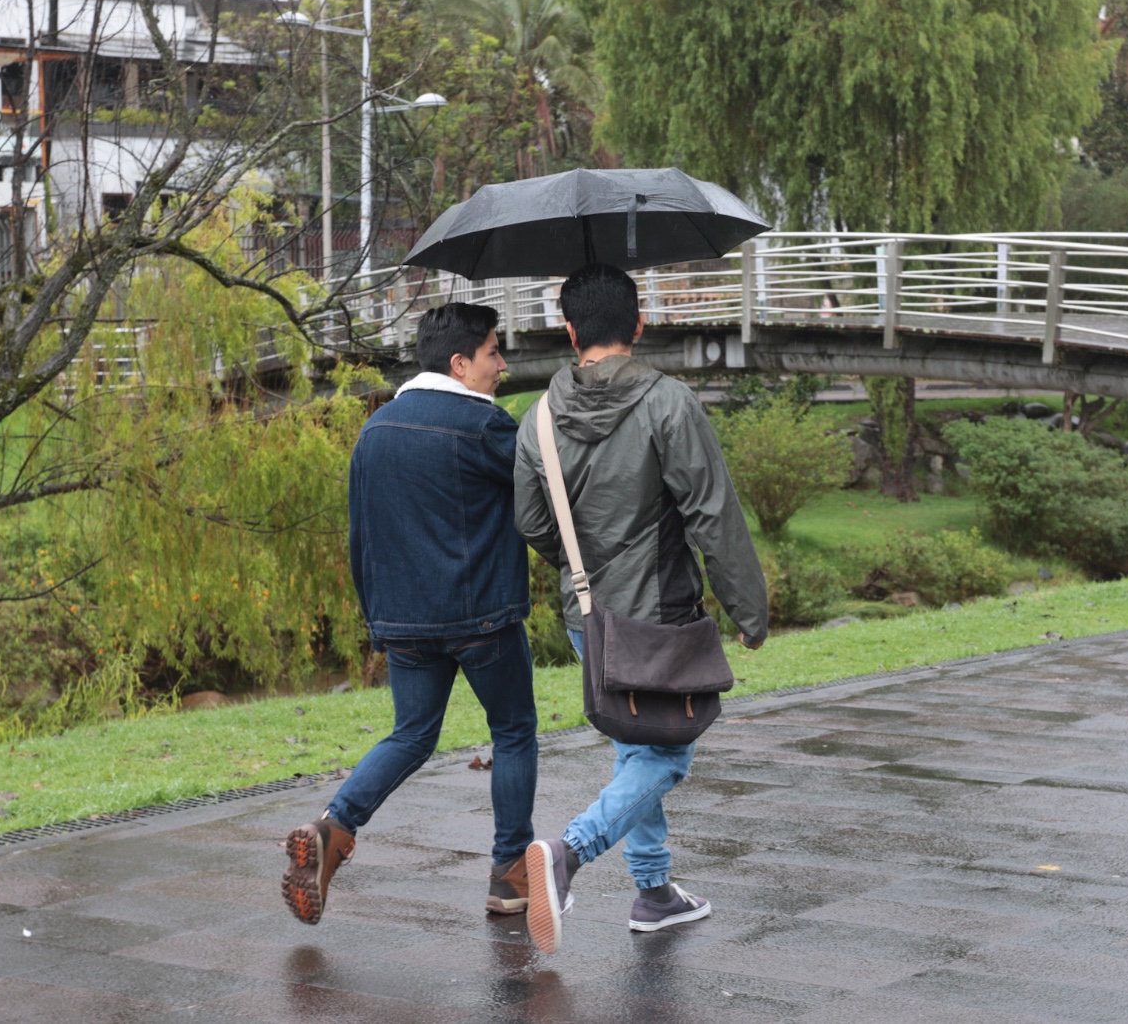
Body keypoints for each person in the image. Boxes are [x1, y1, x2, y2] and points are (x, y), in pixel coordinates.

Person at [512, 263, 769, 954]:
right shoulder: (668, 402)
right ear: (640, 323)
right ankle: (568, 853)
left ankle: (654, 892)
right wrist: (749, 608)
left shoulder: (535, 418)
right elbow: (711, 513)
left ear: (569, 331)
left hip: (585, 616)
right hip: (657, 612)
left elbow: (532, 523)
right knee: (668, 752)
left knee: (638, 743)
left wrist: (581, 571)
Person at [281, 302, 538, 925]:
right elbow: (541, 494)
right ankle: (508, 877)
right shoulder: (484, 426)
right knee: (513, 731)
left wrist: (380, 621)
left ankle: (333, 828)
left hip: (403, 620)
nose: (502, 366)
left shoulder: (375, 430)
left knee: (412, 734)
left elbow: (358, 537)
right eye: (493, 353)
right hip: (481, 619)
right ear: (459, 362)